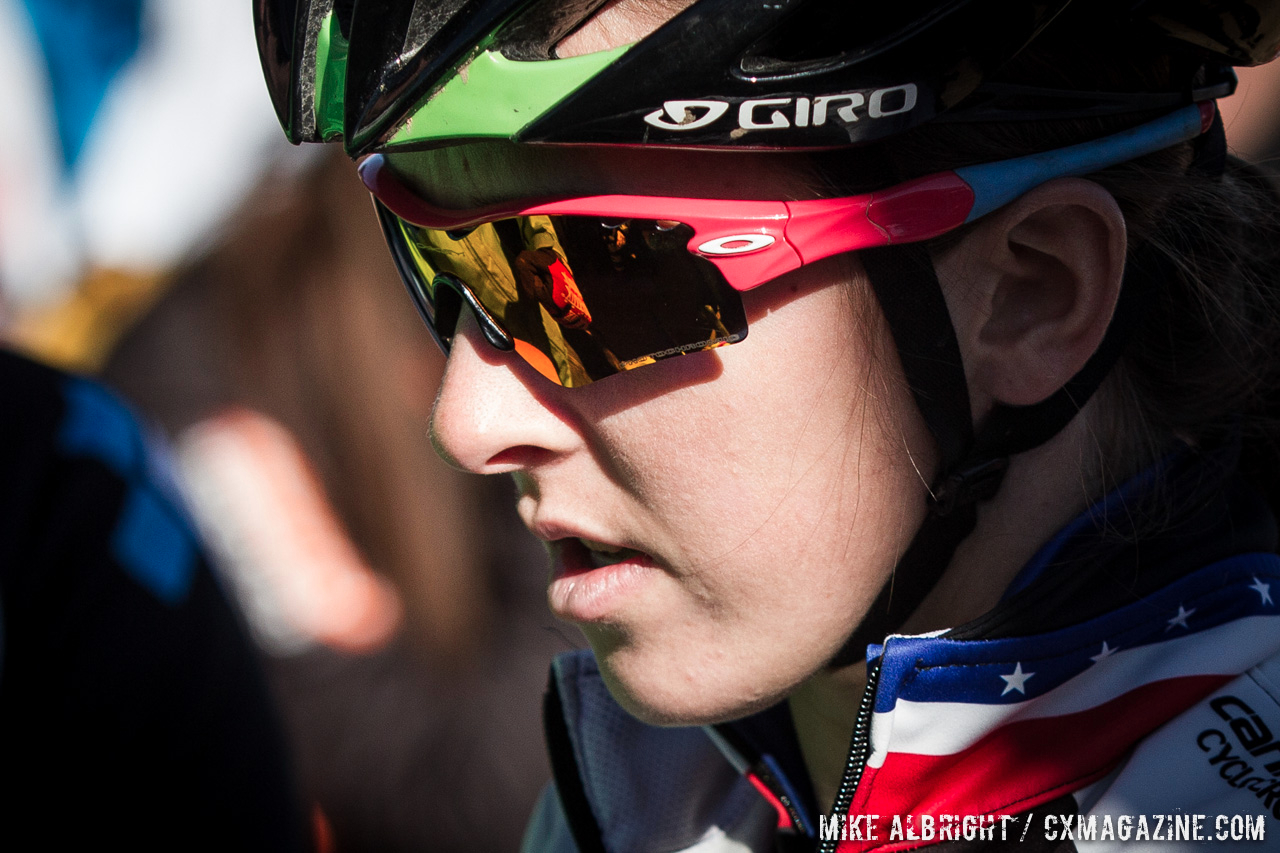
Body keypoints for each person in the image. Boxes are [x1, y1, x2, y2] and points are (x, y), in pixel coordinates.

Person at [254, 0, 1280, 850]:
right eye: (441, 266)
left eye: (600, 281)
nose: (468, 423)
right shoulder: (655, 785)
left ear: (1029, 295)